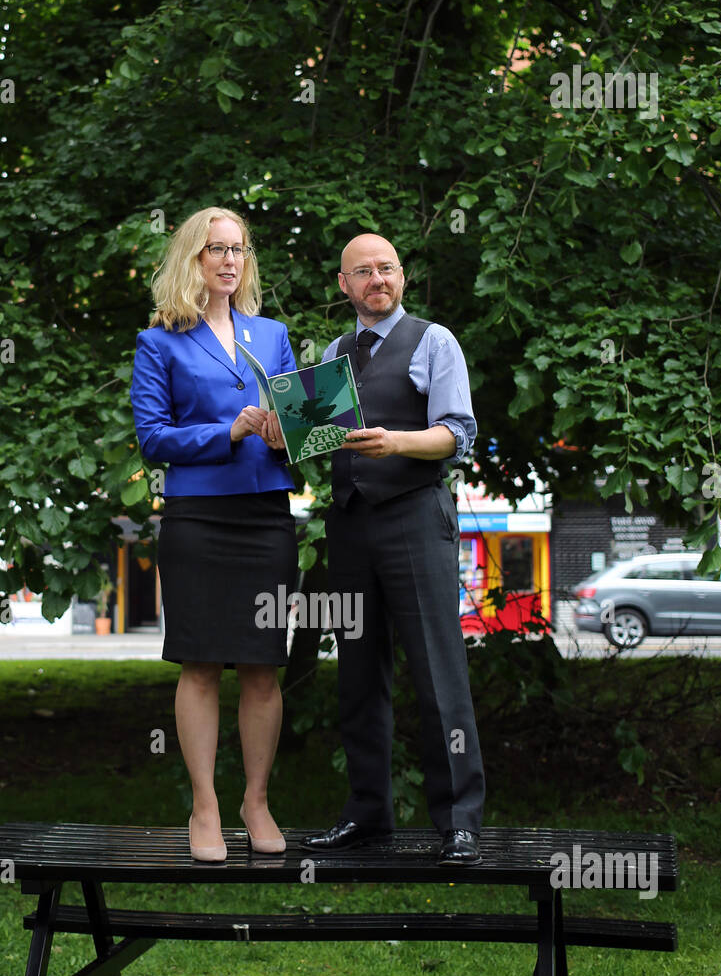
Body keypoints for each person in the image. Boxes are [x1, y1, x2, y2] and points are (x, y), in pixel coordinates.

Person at [278, 231, 485, 864]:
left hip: (416, 519)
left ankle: (459, 822)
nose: (378, 279)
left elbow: (458, 435)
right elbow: (309, 442)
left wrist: (397, 442)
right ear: (344, 286)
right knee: (359, 677)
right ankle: (368, 815)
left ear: (401, 276)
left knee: (437, 673)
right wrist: (280, 426)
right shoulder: (334, 353)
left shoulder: (434, 340)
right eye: (363, 271)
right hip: (349, 524)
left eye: (387, 268)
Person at [130, 206, 298, 862]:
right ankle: (205, 804)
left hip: (265, 516)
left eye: (238, 249)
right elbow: (152, 438)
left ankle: (256, 802)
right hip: (197, 517)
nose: (229, 260)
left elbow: (295, 429)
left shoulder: (273, 334)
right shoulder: (160, 341)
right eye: (215, 249)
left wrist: (288, 438)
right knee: (200, 663)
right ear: (192, 258)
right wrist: (224, 432)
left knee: (262, 665)